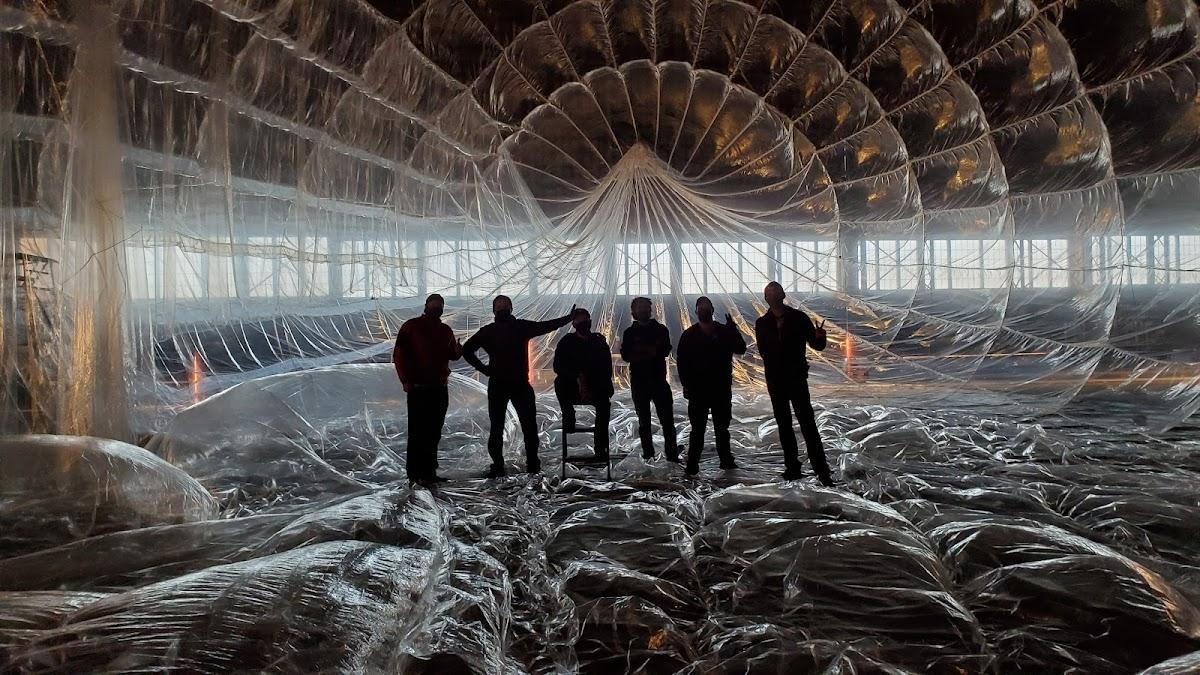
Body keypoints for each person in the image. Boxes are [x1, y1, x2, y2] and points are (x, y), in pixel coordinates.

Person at [463, 296, 574, 477]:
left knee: (524, 426)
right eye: (500, 306)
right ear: (496, 310)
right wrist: (484, 369)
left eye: (504, 305)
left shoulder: (506, 329)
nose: (502, 308)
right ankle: (512, 465)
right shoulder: (508, 329)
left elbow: (545, 326)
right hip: (508, 384)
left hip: (513, 383)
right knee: (504, 427)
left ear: (508, 309)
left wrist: (484, 369)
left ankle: (524, 464)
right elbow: (467, 350)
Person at [755, 281, 835, 486]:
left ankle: (821, 468)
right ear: (766, 298)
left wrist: (821, 337)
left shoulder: (799, 318)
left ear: (783, 295)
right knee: (784, 424)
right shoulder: (762, 323)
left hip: (796, 378)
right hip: (776, 380)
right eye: (768, 293)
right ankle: (792, 466)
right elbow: (764, 351)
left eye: (775, 292)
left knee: (807, 422)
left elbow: (816, 345)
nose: (772, 295)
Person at [393, 294, 462, 485]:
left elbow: (450, 355)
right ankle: (414, 474)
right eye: (433, 304)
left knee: (434, 431)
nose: (436, 307)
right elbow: (399, 354)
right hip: (418, 387)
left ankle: (429, 472)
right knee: (417, 431)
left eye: (439, 305)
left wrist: (457, 352)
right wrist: (405, 380)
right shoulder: (411, 327)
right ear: (426, 306)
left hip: (439, 387)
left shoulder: (445, 330)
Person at [676, 296, 747, 476]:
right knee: (697, 429)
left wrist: (733, 330)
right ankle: (693, 463)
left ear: (712, 311)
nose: (704, 311)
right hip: (698, 390)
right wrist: (686, 384)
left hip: (720, 388)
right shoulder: (689, 335)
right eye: (701, 308)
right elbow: (682, 362)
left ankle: (725, 460)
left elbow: (741, 349)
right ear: (696, 312)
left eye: (706, 308)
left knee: (721, 428)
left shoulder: (724, 331)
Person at [619, 297, 678, 461]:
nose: (644, 310)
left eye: (646, 307)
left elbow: (665, 350)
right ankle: (648, 454)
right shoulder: (629, 333)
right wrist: (650, 350)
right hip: (639, 382)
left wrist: (641, 351)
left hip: (658, 381)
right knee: (644, 422)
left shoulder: (660, 329)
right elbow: (626, 355)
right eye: (640, 308)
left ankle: (672, 455)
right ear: (634, 312)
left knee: (667, 420)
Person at [553, 308, 613, 458]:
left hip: (596, 386)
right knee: (559, 382)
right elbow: (558, 366)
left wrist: (589, 385)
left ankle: (600, 448)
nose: (583, 323)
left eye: (586, 320)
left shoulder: (598, 341)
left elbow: (605, 368)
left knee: (604, 406)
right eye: (579, 320)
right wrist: (578, 377)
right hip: (571, 386)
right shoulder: (566, 342)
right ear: (574, 323)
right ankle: (568, 415)